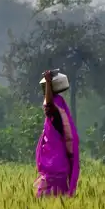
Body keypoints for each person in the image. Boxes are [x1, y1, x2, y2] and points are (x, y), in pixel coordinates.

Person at [35, 68, 80, 198]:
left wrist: (48, 83)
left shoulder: (54, 115)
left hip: (54, 165)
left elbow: (49, 104)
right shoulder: (59, 111)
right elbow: (49, 104)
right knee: (60, 197)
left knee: (45, 198)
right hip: (61, 165)